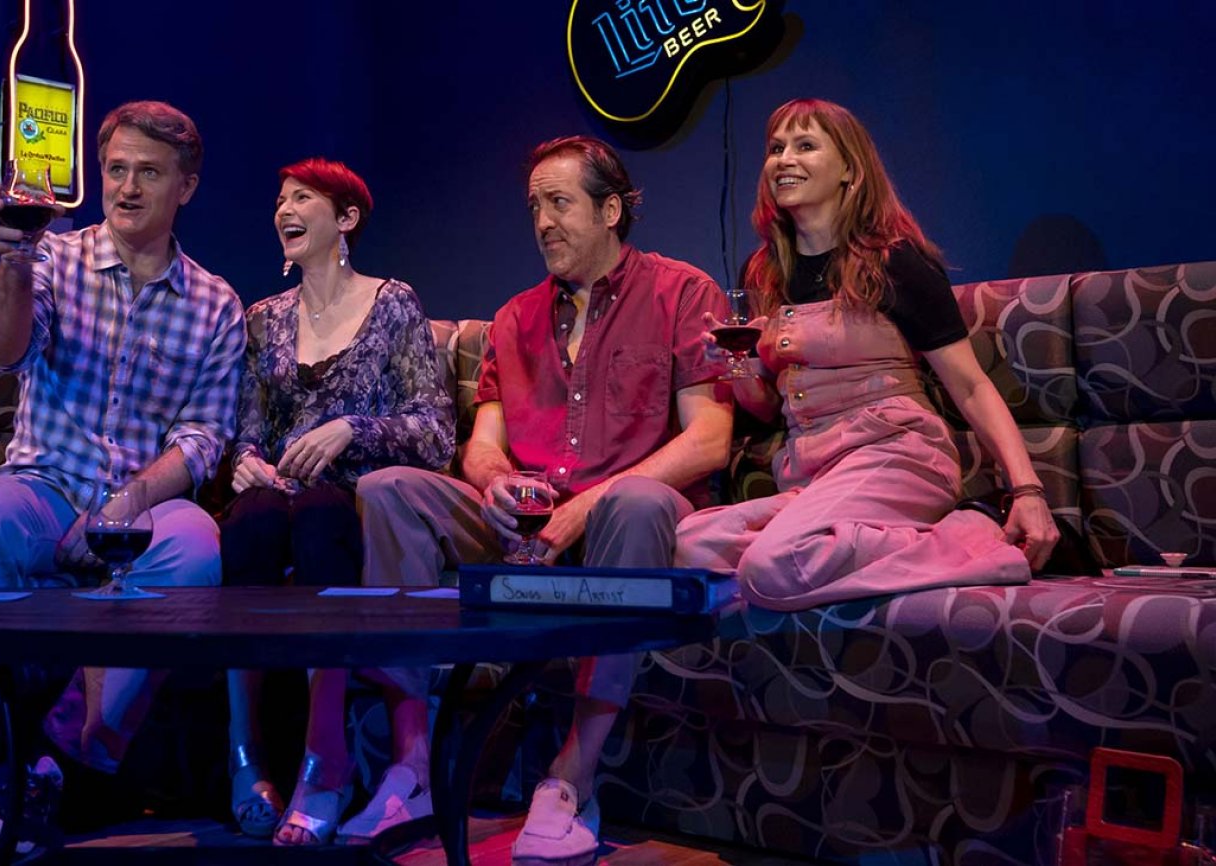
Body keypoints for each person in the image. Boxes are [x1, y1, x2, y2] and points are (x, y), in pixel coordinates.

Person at [341, 136, 735, 861]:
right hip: (529, 517)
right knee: (389, 489)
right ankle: (411, 762)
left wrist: (592, 502)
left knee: (638, 503)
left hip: (626, 517)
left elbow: (710, 438)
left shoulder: (684, 293)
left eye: (560, 204)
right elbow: (482, 440)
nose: (543, 223)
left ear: (610, 209)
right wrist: (494, 480)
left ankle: (571, 777)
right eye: (534, 208)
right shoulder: (515, 317)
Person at [0, 100, 245, 864]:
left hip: (138, 500)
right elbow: (2, 350)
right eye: (116, 170)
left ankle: (59, 753)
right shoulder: (55, 257)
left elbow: (202, 437)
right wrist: (16, 260)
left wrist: (124, 505)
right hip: (42, 482)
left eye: (148, 173)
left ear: (186, 187)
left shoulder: (217, 303)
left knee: (196, 547)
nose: (126, 188)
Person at [674, 97, 1059, 612]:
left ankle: (977, 535)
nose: (784, 159)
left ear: (849, 170)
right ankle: (816, 550)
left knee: (771, 566)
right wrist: (737, 367)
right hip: (815, 473)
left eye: (805, 146)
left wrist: (1027, 491)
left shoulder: (894, 261)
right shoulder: (763, 272)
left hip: (897, 452)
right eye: (775, 148)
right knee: (691, 546)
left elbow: (970, 386)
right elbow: (767, 408)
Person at [218, 158, 453, 840]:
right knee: (251, 522)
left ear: (345, 219)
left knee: (322, 516)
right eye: (280, 198)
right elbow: (249, 432)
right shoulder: (263, 319)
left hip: (350, 495)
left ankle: (325, 763)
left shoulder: (393, 302)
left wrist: (353, 428)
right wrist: (247, 464)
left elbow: (435, 432)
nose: (283, 210)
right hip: (278, 495)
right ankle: (244, 754)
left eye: (302, 198)